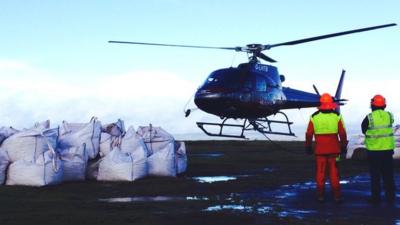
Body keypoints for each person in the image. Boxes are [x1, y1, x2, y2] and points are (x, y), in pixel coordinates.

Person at [305, 93, 348, 203]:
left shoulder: (314, 117)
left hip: (320, 150)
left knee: (320, 173)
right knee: (334, 174)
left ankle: (320, 196)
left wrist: (308, 147)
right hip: (334, 151)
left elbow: (309, 134)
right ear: (331, 104)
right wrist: (343, 146)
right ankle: (337, 196)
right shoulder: (337, 116)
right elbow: (342, 133)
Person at [362, 94, 396, 204]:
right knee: (388, 176)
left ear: (372, 104)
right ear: (384, 105)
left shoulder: (369, 117)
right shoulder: (389, 116)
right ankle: (390, 197)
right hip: (387, 151)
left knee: (375, 176)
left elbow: (364, 129)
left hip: (374, 151)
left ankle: (376, 199)